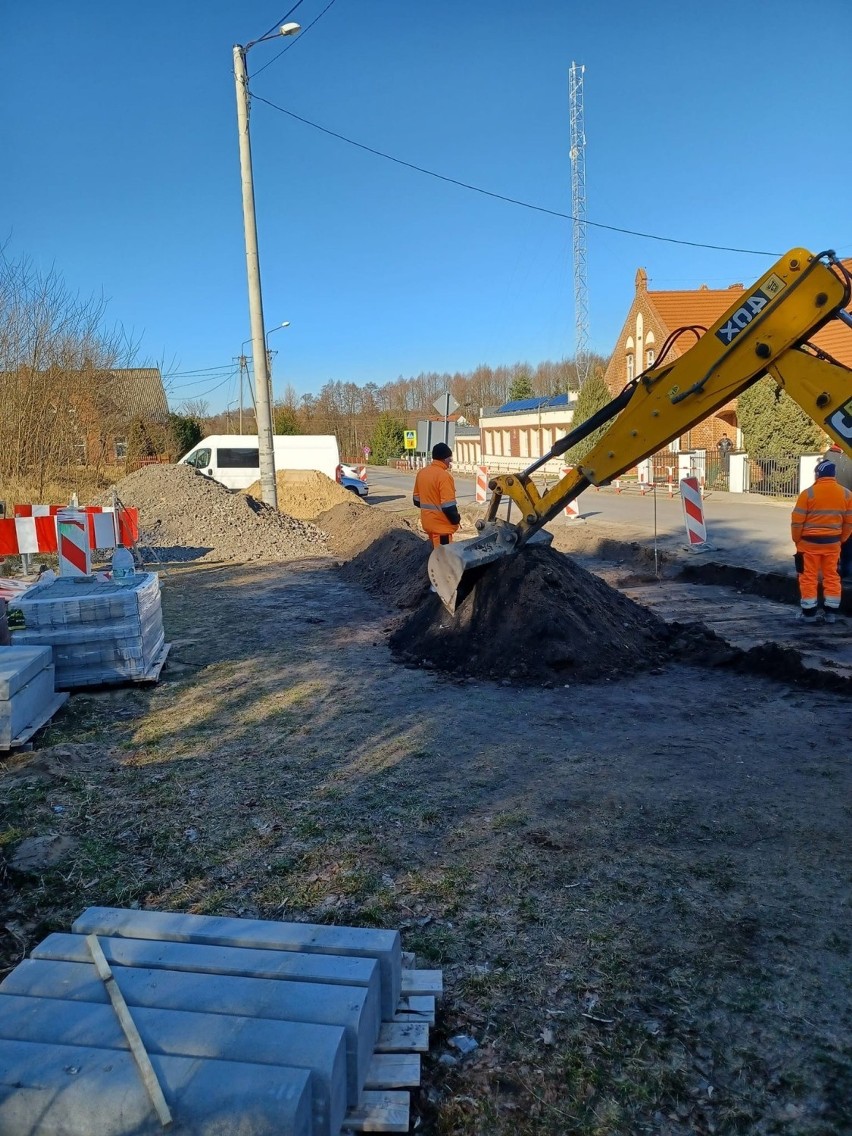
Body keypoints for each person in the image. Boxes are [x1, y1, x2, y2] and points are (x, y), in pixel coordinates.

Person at [791, 458, 852, 624]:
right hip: (832, 545)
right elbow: (849, 522)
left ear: (818, 474)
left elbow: (797, 521)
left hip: (808, 544)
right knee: (832, 576)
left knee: (808, 577)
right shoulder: (847, 494)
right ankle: (831, 613)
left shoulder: (808, 493)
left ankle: (809, 613)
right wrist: (841, 540)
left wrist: (797, 540)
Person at [413, 442, 461, 548]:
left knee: (434, 555)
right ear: (444, 458)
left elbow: (416, 500)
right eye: (449, 457)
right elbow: (448, 506)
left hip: (428, 523)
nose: (451, 460)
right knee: (443, 559)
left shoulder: (422, 473)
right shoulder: (444, 476)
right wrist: (456, 519)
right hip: (442, 528)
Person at [824, 444, 852, 579]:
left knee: (834, 539)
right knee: (848, 538)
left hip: (832, 505)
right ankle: (846, 570)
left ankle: (833, 570)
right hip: (848, 504)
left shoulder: (828, 456)